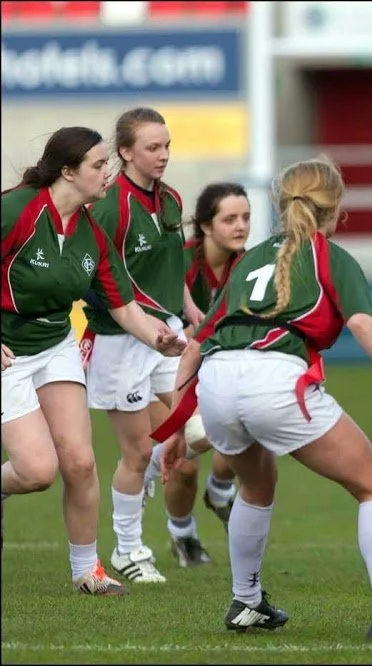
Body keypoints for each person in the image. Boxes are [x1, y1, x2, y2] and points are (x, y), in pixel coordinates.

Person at [153, 156, 372, 642]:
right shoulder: (327, 255)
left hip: (218, 379)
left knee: (257, 484)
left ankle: (246, 602)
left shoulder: (249, 258)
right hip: (273, 379)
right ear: (335, 207)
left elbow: (195, 347)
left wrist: (175, 432)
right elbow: (361, 322)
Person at [0, 126, 185, 594]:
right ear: (68, 171)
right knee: (37, 472)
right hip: (7, 350)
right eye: (99, 165)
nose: (108, 174)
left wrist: (158, 338)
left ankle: (88, 572)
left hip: (55, 343)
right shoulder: (15, 210)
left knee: (80, 463)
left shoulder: (91, 233)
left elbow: (123, 306)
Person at [82, 106, 214, 581]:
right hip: (120, 342)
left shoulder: (171, 198)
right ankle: (128, 551)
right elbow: (94, 280)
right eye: (152, 147)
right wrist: (144, 324)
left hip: (168, 333)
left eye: (167, 146)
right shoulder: (109, 206)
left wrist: (189, 307)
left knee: (204, 428)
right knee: (136, 452)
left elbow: (170, 265)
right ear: (125, 152)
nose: (163, 155)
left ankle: (150, 474)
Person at [144, 182, 250, 534]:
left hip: (213, 368)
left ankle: (219, 491)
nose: (240, 226)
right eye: (229, 219)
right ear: (205, 225)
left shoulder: (249, 265)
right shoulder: (181, 261)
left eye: (246, 217)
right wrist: (200, 333)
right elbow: (160, 327)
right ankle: (182, 532)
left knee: (250, 421)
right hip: (163, 365)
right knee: (185, 465)